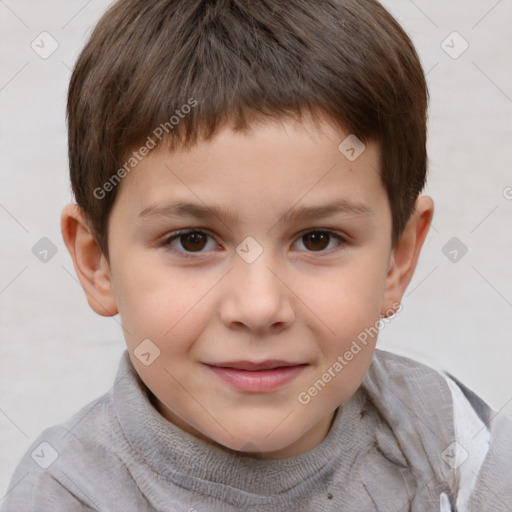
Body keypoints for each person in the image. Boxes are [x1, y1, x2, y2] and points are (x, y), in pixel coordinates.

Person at [2, 0, 511, 510]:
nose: (259, 307)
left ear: (397, 261)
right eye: (192, 240)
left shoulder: (451, 441)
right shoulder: (64, 493)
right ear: (98, 263)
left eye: (317, 239)